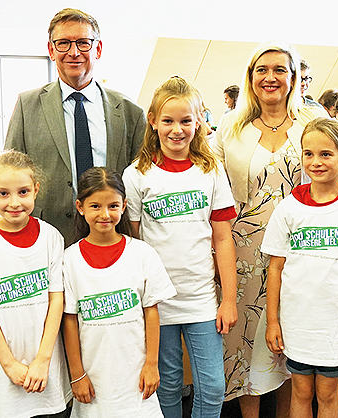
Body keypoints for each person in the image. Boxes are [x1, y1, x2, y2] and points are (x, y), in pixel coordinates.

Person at [213, 41, 328, 418]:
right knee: (246, 344)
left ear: (294, 77)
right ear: (250, 78)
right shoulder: (230, 125)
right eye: (262, 70)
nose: (270, 77)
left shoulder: (314, 123)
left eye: (280, 69)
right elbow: (211, 187)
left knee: (290, 342)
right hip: (243, 253)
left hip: (301, 252)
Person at [123, 76, 238, 418]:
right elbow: (134, 242)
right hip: (158, 301)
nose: (177, 130)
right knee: (169, 384)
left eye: (186, 121)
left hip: (201, 297)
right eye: (169, 121)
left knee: (213, 386)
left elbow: (222, 237)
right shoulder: (137, 175)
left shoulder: (211, 170)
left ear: (199, 121)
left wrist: (228, 299)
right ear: (153, 122)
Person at [262, 117, 338, 417]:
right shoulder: (288, 208)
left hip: (337, 326)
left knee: (329, 394)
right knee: (301, 392)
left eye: (326, 154)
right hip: (296, 323)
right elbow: (275, 269)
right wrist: (272, 321)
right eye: (309, 154)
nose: (316, 162)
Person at [4, 8, 146, 246]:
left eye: (83, 43)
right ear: (51, 50)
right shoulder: (27, 106)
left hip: (113, 235)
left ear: (98, 49)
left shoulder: (130, 111)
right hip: (47, 237)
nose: (73, 52)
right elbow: (10, 174)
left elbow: (141, 181)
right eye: (63, 43)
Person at [62, 167, 176, 417]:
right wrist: (77, 374)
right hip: (92, 381)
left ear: (124, 205)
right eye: (95, 206)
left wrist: (151, 364)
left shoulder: (142, 254)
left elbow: (151, 313)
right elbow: (69, 320)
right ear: (80, 207)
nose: (105, 214)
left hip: (136, 380)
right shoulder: (68, 260)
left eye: (113, 206)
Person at [0, 150, 71, 418]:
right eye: (3, 194)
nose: (14, 202)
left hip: (46, 367)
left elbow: (56, 300)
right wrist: (10, 364)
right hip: (6, 371)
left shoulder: (50, 237)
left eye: (23, 192)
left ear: (36, 190)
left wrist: (43, 360)